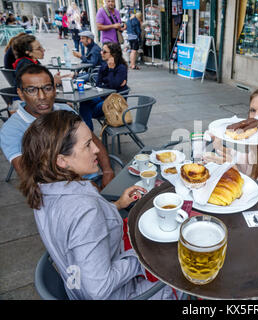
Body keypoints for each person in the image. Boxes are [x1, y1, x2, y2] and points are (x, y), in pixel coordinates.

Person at [18, 110, 178, 300]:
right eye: (87, 145)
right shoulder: (84, 210)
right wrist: (142, 257)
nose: (96, 149)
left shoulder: (44, 189)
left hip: (74, 286)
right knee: (183, 263)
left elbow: (77, 233)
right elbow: (99, 289)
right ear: (61, 160)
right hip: (126, 294)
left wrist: (117, 204)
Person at [0, 64, 115, 189]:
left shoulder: (65, 110)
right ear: (20, 93)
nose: (42, 96)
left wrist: (108, 171)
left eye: (47, 88)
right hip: (65, 192)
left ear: (55, 89)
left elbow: (92, 140)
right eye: (32, 90)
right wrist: (84, 186)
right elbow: (29, 175)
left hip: (94, 177)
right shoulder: (11, 129)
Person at [79, 42, 129, 131]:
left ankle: (88, 132)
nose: (101, 53)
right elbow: (98, 84)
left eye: (104, 52)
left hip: (114, 102)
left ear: (113, 54)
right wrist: (108, 84)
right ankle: (89, 132)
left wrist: (111, 69)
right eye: (102, 50)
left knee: (88, 110)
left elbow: (113, 85)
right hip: (103, 97)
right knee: (84, 103)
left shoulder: (121, 68)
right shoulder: (103, 66)